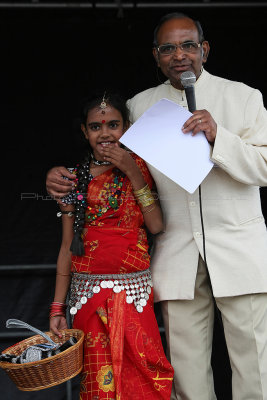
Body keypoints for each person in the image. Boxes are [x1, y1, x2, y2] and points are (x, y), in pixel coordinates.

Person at [46, 12, 267, 400]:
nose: (179, 55)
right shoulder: (140, 106)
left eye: (188, 45)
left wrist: (219, 136)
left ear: (205, 50)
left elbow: (264, 166)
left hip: (239, 249)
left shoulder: (243, 97)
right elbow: (105, 165)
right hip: (176, 251)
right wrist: (59, 178)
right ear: (156, 56)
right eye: (168, 48)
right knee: (186, 372)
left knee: (254, 366)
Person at [49, 92, 174, 400]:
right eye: (95, 127)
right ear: (84, 132)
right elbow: (67, 247)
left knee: (144, 374)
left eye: (113, 125)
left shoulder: (142, 169)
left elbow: (156, 225)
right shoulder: (73, 180)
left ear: (127, 128)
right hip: (88, 297)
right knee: (99, 381)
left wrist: (131, 170)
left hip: (133, 295)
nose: (104, 133)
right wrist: (57, 306)